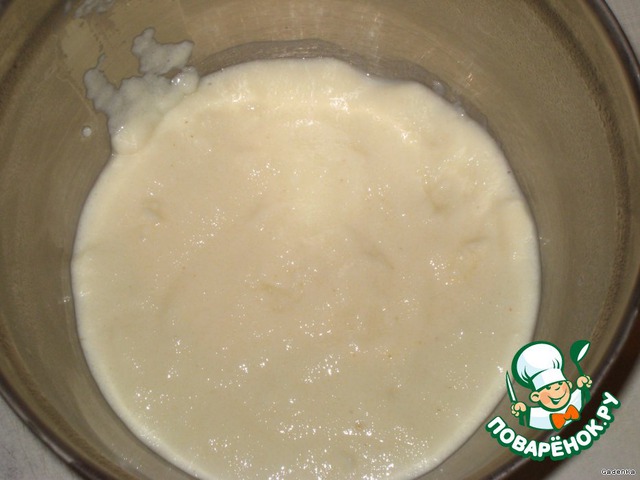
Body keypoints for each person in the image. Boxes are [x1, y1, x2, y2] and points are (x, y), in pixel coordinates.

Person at [510, 341, 592, 430]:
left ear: (569, 384)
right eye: (548, 388)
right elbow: (524, 420)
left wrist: (583, 385)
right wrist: (522, 410)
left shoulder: (576, 398)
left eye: (560, 384)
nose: (557, 390)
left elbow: (588, 393)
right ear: (536, 397)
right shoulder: (539, 416)